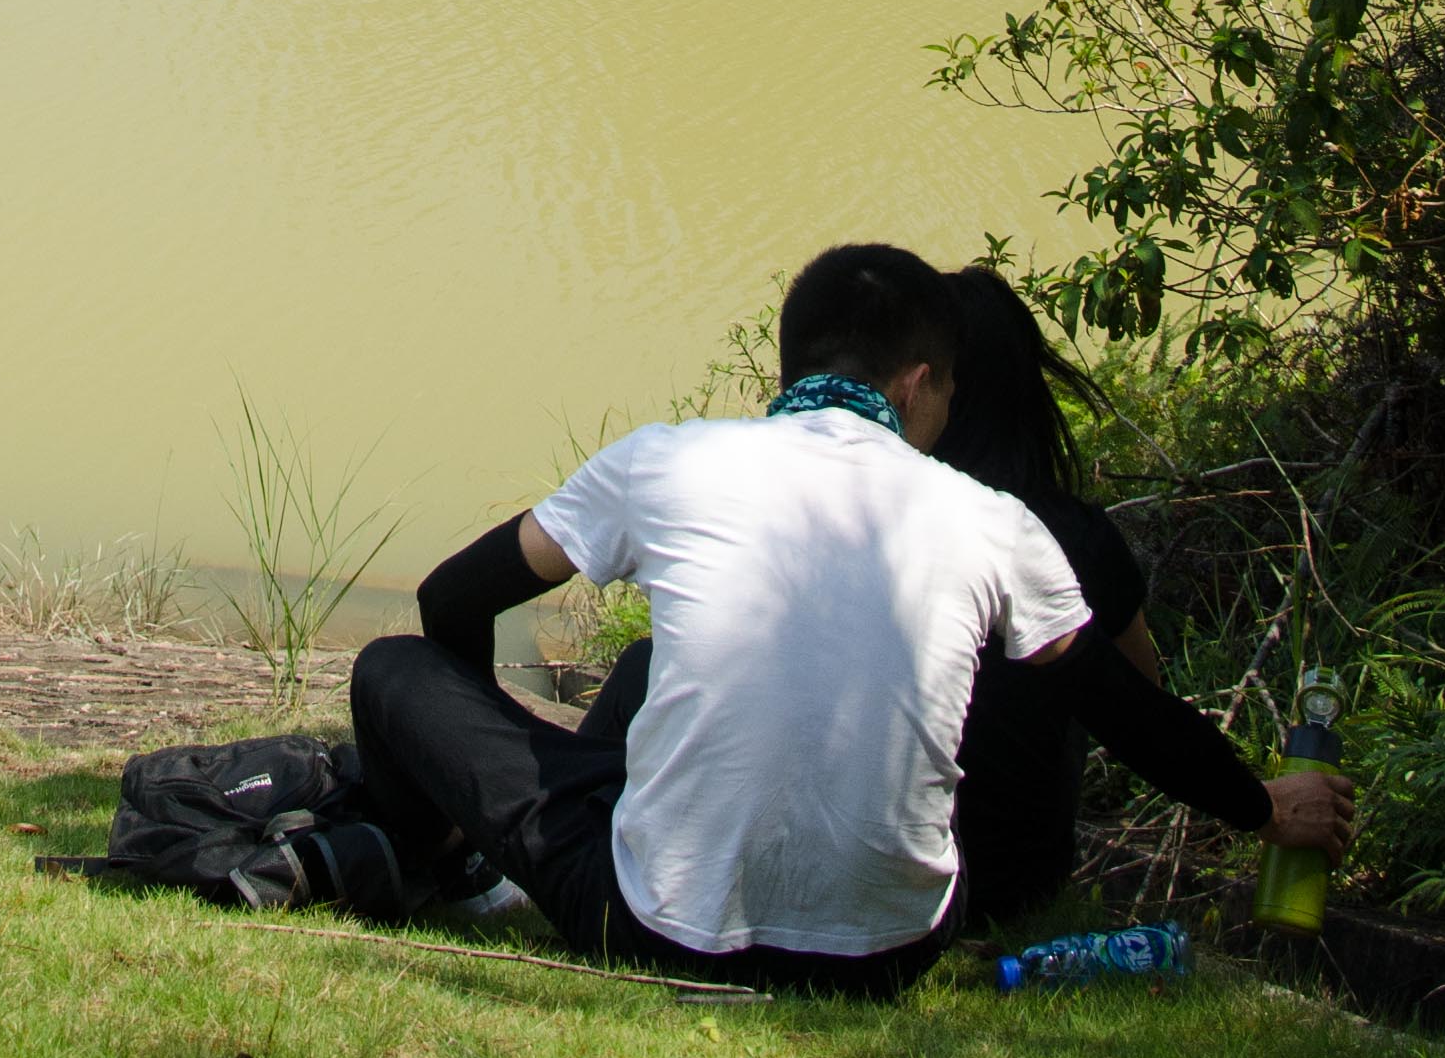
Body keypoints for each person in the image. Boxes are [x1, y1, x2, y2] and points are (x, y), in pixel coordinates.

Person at [346, 240, 1092, 993]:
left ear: (790, 367)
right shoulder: (994, 521)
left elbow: (451, 596)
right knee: (641, 667)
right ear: (915, 386)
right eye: (949, 393)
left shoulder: (665, 462)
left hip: (660, 932)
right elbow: (1080, 679)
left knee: (391, 667)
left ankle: (458, 875)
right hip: (891, 953)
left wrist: (483, 785)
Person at [936, 261, 1354, 926]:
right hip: (1015, 886)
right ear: (1026, 391)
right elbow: (1137, 698)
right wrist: (1262, 804)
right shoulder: (1075, 537)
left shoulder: (868, 529)